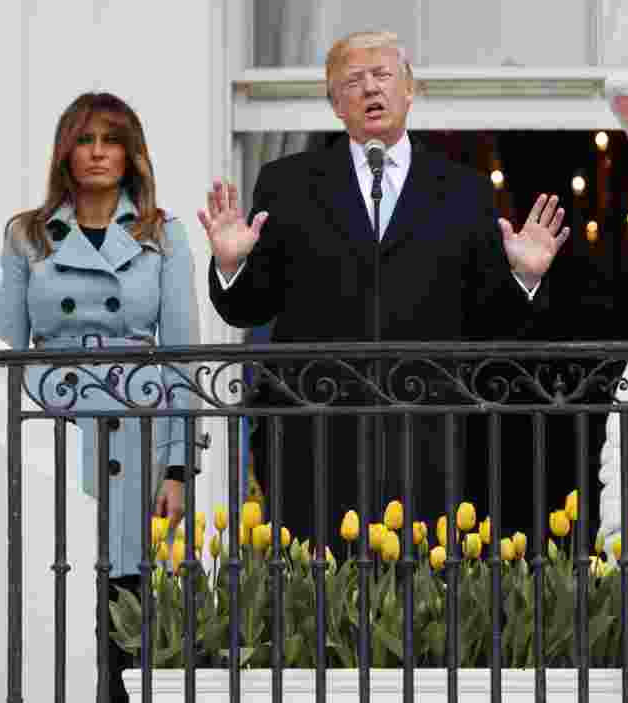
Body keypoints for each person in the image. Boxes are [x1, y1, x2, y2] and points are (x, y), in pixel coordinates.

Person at [201, 31, 569, 550]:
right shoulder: (288, 184)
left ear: (410, 90)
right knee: (317, 607)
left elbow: (491, 324)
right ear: (335, 104)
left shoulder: (463, 191)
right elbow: (251, 307)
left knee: (420, 608)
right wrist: (230, 263)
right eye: (353, 81)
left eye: (382, 76)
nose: (370, 89)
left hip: (428, 432)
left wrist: (525, 277)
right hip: (316, 432)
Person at [0, 92, 199, 703]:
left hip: (135, 431)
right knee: (52, 584)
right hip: (52, 425)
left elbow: (183, 354)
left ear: (132, 154)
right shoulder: (26, 234)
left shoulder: (163, 234)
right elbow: (7, 347)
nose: (99, 152)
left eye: (112, 140)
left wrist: (180, 468)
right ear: (66, 152)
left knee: (127, 601)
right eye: (85, 139)